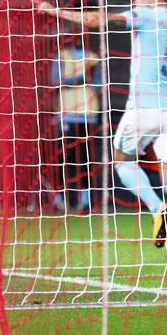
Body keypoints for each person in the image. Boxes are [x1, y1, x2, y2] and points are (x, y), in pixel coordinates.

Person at [38, 0, 167, 259]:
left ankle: (154, 205)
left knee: (120, 161)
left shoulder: (146, 15)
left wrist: (54, 11)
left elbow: (98, 20)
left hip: (143, 109)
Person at [50, 35, 101, 211]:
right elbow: (54, 82)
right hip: (67, 114)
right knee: (65, 158)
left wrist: (91, 76)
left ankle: (85, 201)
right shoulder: (61, 56)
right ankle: (60, 199)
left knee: (86, 159)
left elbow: (99, 85)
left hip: (89, 114)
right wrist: (81, 77)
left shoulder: (94, 56)